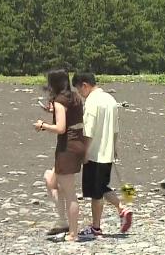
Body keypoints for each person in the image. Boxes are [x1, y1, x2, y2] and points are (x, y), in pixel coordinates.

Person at [71, 72, 133, 238]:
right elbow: (115, 128)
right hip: (107, 152)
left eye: (79, 89)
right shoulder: (110, 99)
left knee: (95, 192)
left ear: (85, 85)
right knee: (102, 186)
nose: (80, 94)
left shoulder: (92, 101)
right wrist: (114, 147)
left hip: (95, 152)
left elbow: (88, 131)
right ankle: (120, 209)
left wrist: (84, 152)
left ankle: (97, 226)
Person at [33, 69, 87, 242]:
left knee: (70, 192)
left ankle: (73, 233)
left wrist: (43, 125)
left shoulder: (59, 101)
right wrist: (53, 112)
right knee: (51, 180)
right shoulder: (75, 97)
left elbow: (61, 128)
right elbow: (70, 117)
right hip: (78, 144)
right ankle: (63, 221)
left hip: (67, 148)